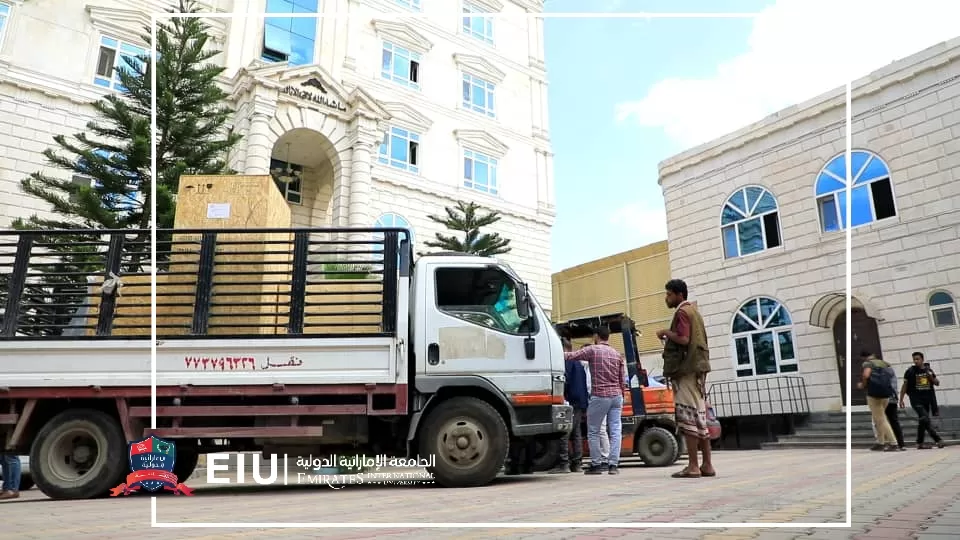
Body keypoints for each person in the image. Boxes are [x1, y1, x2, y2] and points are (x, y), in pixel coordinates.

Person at [658, 279, 715, 479]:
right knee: (700, 417)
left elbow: (684, 339)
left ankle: (692, 466)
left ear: (679, 295)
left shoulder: (682, 312)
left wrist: (666, 333)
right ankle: (707, 464)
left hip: (686, 371)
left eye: (669, 294)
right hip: (698, 370)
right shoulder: (694, 312)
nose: (667, 298)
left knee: (688, 417)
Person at [563, 327, 628, 475]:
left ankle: (596, 464)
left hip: (600, 396)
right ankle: (613, 465)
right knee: (616, 430)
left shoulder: (593, 350)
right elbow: (622, 380)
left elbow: (573, 356)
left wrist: (555, 353)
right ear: (608, 337)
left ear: (596, 336)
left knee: (593, 430)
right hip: (617, 397)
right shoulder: (617, 354)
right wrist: (621, 396)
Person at [551, 338, 587, 473]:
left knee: (564, 432)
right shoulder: (579, 363)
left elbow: (564, 381)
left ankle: (564, 463)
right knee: (577, 433)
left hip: (569, 400)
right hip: (579, 402)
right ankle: (577, 463)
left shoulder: (565, 362)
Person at [899, 351, 944, 449]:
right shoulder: (910, 371)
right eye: (914, 359)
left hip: (927, 400)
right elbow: (905, 386)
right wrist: (901, 399)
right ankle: (938, 439)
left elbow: (937, 383)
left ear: (922, 359)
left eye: (918, 359)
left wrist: (930, 376)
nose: (916, 361)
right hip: (916, 399)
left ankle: (919, 443)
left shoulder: (928, 370)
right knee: (925, 418)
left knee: (923, 420)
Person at [858, 350, 898, 452]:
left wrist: (862, 385)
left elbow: (866, 375)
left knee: (881, 419)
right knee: (878, 419)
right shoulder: (884, 363)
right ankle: (880, 442)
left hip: (873, 395)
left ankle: (893, 443)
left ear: (864, 357)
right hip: (886, 394)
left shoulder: (868, 363)